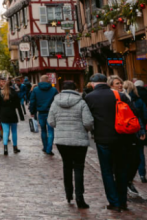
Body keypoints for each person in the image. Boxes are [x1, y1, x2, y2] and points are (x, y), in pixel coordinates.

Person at [85, 73, 134, 212]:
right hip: (121, 137)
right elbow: (134, 112)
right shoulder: (119, 95)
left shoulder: (89, 97)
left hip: (102, 138)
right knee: (121, 170)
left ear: (93, 84)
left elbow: (87, 119)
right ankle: (123, 201)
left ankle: (114, 202)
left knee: (107, 171)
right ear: (106, 82)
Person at [48, 81, 93, 210]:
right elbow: (88, 122)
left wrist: (61, 127)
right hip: (79, 140)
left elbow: (51, 121)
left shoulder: (55, 102)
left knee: (67, 166)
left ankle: (68, 194)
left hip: (62, 141)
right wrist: (85, 129)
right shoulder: (81, 102)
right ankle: (80, 197)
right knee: (79, 168)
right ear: (75, 89)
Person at [125, 83, 147, 191]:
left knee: (127, 154)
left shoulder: (123, 100)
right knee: (140, 153)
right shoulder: (138, 100)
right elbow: (146, 115)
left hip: (126, 131)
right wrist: (142, 125)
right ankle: (142, 174)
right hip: (139, 130)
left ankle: (129, 176)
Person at [0, 76, 24, 156]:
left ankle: (5, 148)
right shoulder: (14, 93)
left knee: (5, 132)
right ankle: (15, 148)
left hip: (3, 114)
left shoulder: (0, 93)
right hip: (12, 114)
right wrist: (21, 116)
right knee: (14, 131)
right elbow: (18, 106)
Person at [29, 76, 58, 156]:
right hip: (51, 112)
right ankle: (49, 149)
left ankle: (45, 147)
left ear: (40, 80)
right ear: (48, 80)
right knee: (51, 131)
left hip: (41, 112)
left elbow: (32, 101)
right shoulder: (53, 89)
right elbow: (57, 101)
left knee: (43, 130)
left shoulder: (35, 90)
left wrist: (32, 112)